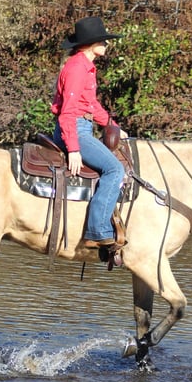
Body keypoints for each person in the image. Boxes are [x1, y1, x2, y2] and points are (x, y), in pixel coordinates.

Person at [51, 16, 127, 248]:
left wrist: (112, 126)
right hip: (74, 129)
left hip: (82, 126)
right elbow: (67, 113)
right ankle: (97, 230)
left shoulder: (86, 67)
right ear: (90, 44)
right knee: (115, 169)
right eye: (103, 41)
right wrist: (73, 149)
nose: (107, 44)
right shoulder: (77, 68)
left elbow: (91, 105)